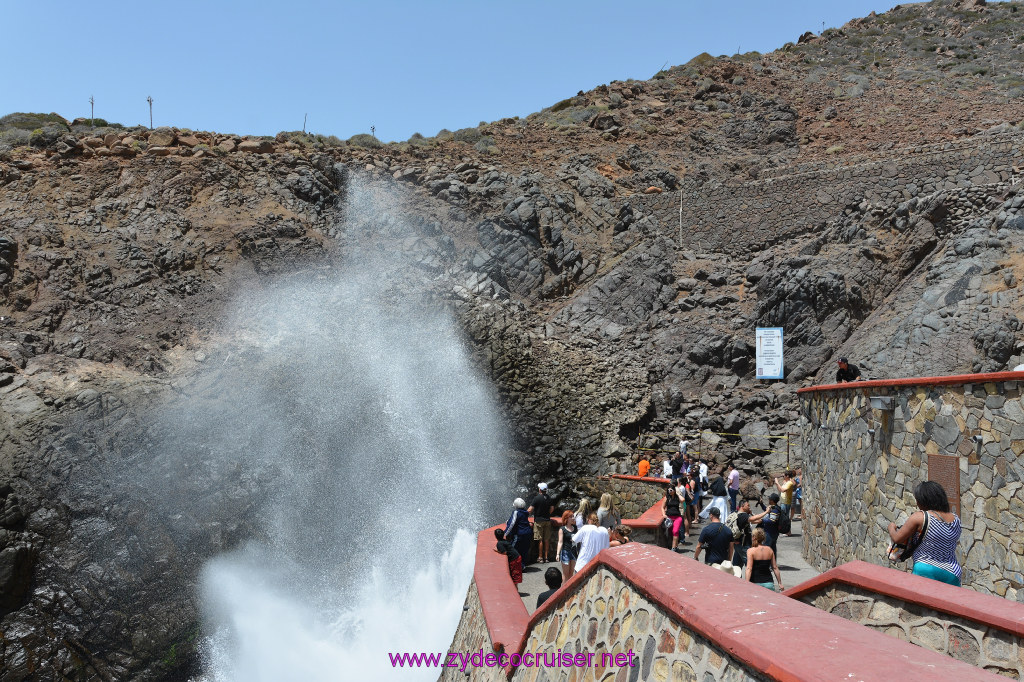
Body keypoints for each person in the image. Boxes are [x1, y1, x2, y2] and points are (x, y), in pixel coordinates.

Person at [887, 481, 962, 586]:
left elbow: (897, 538)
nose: (917, 504)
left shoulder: (920, 517)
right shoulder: (956, 519)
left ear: (924, 501)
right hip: (953, 572)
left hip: (925, 569)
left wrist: (891, 527)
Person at [528, 482, 553, 563]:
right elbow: (552, 508)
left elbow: (530, 510)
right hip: (547, 521)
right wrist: (548, 514)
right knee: (546, 539)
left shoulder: (537, 498)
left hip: (539, 521)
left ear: (540, 490)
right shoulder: (549, 498)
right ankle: (546, 557)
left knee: (540, 540)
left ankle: (540, 557)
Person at [504, 497, 533, 565]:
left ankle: (515, 567)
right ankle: (523, 566)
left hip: (520, 534)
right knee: (524, 550)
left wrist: (505, 533)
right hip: (528, 533)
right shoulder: (525, 512)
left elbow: (512, 523)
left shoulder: (516, 512)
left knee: (512, 549)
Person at [731, 499, 754, 568]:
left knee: (736, 566)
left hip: (739, 544)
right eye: (748, 505)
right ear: (742, 506)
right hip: (743, 544)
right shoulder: (743, 516)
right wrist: (765, 513)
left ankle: (735, 578)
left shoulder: (740, 515)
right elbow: (755, 520)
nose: (749, 507)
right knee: (750, 565)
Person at [556, 510, 578, 582]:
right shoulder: (562, 529)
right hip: (565, 552)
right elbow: (560, 542)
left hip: (574, 552)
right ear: (566, 518)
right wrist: (558, 554)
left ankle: (570, 590)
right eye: (571, 517)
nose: (573, 518)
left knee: (571, 574)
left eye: (573, 516)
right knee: (566, 574)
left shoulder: (575, 528)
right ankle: (564, 590)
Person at [661, 485, 685, 553]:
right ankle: (675, 546)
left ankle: (673, 548)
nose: (669, 491)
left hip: (677, 517)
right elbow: (662, 507)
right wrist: (663, 514)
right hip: (669, 518)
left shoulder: (677, 497)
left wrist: (676, 493)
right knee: (671, 533)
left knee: (675, 531)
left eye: (671, 490)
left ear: (674, 490)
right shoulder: (667, 498)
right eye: (668, 490)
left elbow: (683, 500)